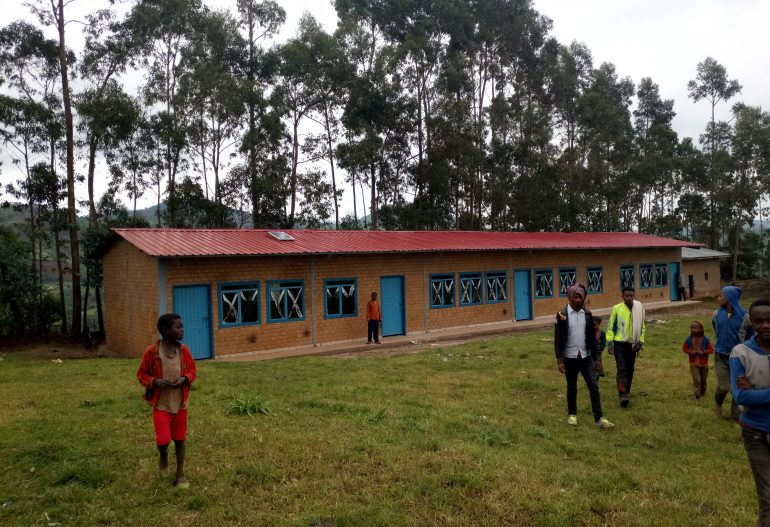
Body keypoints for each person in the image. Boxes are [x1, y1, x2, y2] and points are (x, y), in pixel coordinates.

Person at [136, 314, 197, 488]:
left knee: (180, 439)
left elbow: (193, 371)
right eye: (178, 327)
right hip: (161, 405)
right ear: (165, 331)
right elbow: (141, 375)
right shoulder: (152, 352)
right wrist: (154, 381)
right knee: (163, 440)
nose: (182, 331)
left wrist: (185, 379)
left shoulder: (184, 351)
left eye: (182, 327)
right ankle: (163, 456)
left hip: (180, 404)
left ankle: (180, 474)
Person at [730, 298, 770, 527]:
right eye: (759, 321)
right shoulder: (740, 353)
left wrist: (758, 393)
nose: (765, 325)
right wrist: (750, 395)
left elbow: (751, 395)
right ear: (751, 323)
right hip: (755, 431)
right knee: (768, 497)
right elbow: (741, 397)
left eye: (769, 320)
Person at [554, 283, 614, 429]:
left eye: (581, 297)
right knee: (572, 386)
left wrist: (597, 359)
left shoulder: (587, 314)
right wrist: (560, 360)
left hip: (586, 357)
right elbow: (558, 339)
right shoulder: (562, 315)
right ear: (570, 297)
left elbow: (592, 339)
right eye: (575, 297)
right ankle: (572, 414)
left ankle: (599, 417)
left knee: (594, 386)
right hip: (569, 357)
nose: (578, 300)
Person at [712, 285, 752, 422]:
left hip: (738, 359)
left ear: (729, 298)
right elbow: (716, 329)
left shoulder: (745, 317)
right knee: (724, 387)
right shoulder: (716, 314)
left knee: (737, 389)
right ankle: (718, 404)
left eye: (721, 295)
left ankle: (735, 418)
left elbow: (750, 337)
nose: (718, 298)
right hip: (720, 356)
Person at [607, 286, 646, 408]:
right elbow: (610, 327)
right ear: (622, 296)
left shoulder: (638, 308)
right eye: (626, 296)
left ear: (634, 296)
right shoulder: (616, 309)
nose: (629, 298)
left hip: (633, 345)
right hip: (619, 345)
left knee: (630, 369)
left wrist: (641, 341)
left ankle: (627, 391)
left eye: (631, 295)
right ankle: (622, 394)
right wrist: (609, 342)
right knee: (622, 369)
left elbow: (642, 326)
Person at [682, 320, 713, 399]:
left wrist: (703, 351)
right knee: (696, 380)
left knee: (703, 381)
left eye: (695, 328)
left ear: (701, 329)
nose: (693, 329)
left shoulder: (706, 339)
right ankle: (697, 394)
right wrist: (690, 352)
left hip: (704, 364)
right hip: (693, 364)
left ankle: (703, 392)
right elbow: (684, 348)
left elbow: (711, 350)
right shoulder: (689, 339)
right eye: (692, 328)